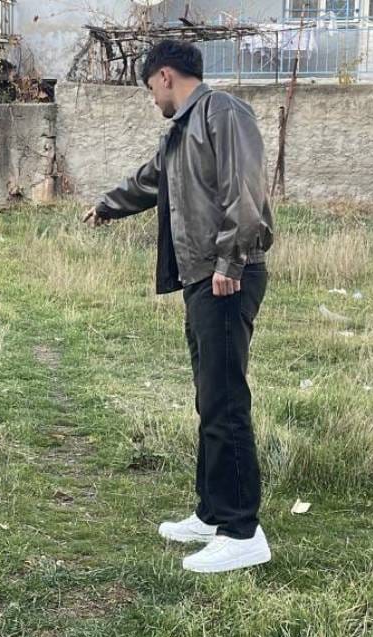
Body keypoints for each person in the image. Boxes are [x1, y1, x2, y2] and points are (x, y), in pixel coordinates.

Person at [82, 40, 275, 574]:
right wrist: (106, 207)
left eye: (150, 88)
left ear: (165, 76)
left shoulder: (222, 112)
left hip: (226, 276)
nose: (152, 99)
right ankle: (213, 515)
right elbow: (150, 180)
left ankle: (242, 532)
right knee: (209, 398)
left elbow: (246, 191)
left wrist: (230, 262)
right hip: (202, 277)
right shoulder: (180, 132)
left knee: (226, 401)